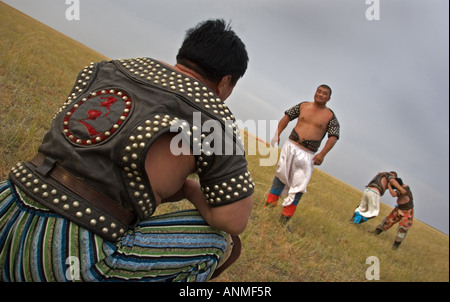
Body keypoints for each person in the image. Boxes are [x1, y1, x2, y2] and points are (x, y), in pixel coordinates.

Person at [0, 19, 254, 282]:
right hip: (67, 253)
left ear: (185, 53)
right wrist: (189, 189)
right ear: (226, 81)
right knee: (217, 240)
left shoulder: (106, 69)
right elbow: (233, 219)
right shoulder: (214, 117)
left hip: (9, 199)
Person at [265, 85, 340, 225]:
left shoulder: (330, 116)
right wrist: (277, 134)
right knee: (280, 176)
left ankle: (285, 218)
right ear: (315, 92)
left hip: (308, 154)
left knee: (299, 184)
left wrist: (322, 154)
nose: (321, 95)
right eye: (319, 91)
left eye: (325, 94)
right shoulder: (303, 106)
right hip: (291, 145)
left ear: (329, 98)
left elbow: (334, 136)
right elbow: (287, 117)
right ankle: (268, 207)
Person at [374, 178, 414, 250]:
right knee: (387, 221)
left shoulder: (404, 189)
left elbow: (393, 194)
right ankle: (375, 233)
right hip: (399, 208)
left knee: (403, 228)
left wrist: (389, 186)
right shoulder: (402, 187)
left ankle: (396, 245)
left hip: (407, 211)